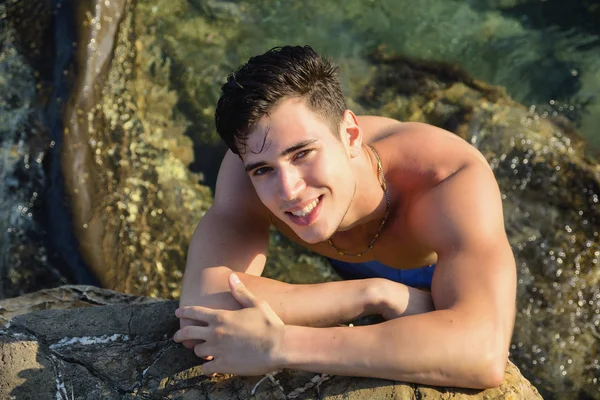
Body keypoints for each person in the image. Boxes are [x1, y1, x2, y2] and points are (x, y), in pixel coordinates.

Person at [174, 45, 516, 389]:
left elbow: (482, 351)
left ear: (350, 135)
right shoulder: (248, 162)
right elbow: (203, 304)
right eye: (264, 170)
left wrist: (280, 344)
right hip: (360, 271)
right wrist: (374, 294)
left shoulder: (447, 180)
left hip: (432, 266)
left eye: (302, 153)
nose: (288, 190)